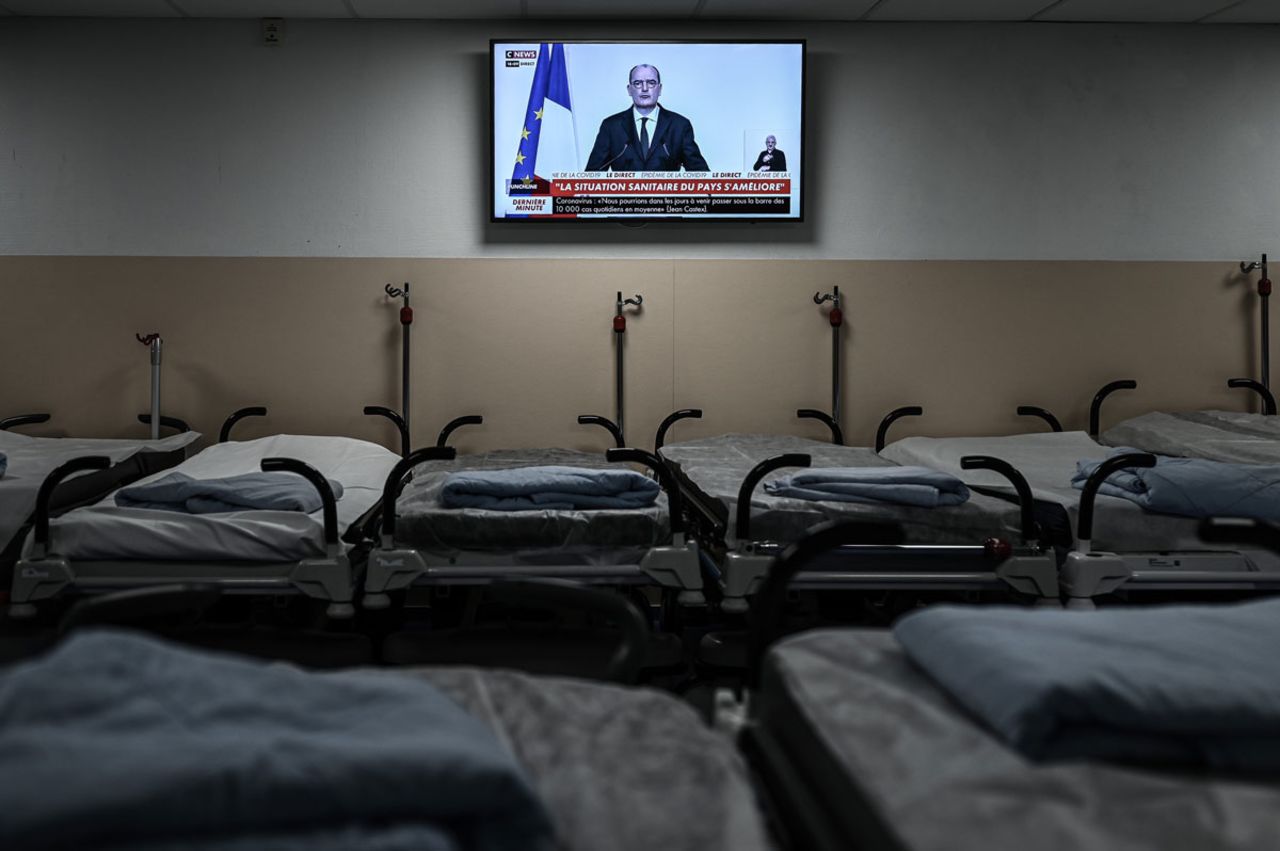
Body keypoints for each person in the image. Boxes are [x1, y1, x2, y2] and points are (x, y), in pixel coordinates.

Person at [584, 64, 709, 172]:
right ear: (629, 89)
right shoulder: (611, 126)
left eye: (651, 83)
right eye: (638, 83)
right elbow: (592, 175)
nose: (644, 89)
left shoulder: (679, 125)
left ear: (659, 89)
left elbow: (700, 173)